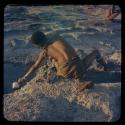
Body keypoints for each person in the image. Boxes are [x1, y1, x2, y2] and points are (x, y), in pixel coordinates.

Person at [12, 31, 108, 92]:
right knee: (96, 52)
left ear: (38, 44)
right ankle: (106, 67)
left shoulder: (44, 52)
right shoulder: (56, 36)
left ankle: (78, 82)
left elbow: (35, 66)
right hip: (79, 65)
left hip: (64, 72)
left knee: (53, 61)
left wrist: (23, 79)